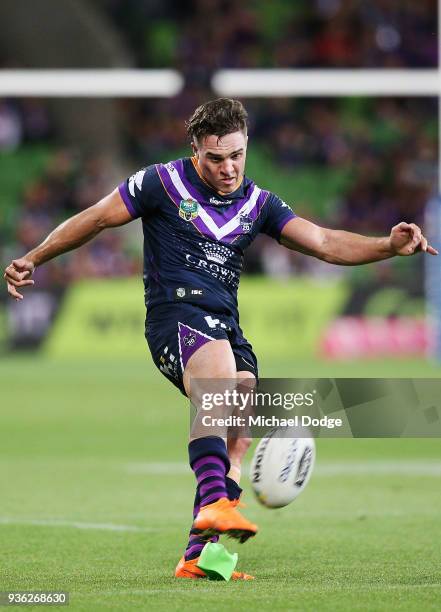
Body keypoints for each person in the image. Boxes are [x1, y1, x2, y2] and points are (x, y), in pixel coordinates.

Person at [4, 98, 438, 580]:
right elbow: (97, 217)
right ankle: (214, 503)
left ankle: (199, 554)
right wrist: (35, 258)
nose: (228, 167)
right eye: (215, 158)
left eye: (236, 155)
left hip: (226, 323)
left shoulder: (259, 204)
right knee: (218, 385)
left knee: (238, 431)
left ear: (246, 145)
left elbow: (324, 243)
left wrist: (386, 246)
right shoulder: (160, 183)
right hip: (176, 316)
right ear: (195, 150)